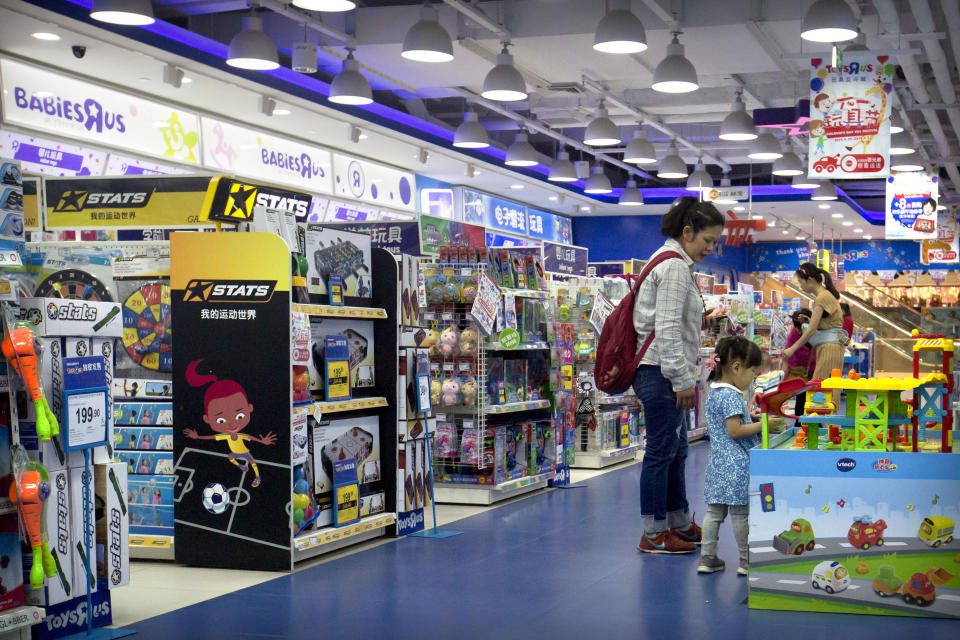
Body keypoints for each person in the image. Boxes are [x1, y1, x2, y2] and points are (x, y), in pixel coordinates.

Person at [633, 196, 725, 554]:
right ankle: (653, 532)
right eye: (708, 240)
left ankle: (679, 522)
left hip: (664, 372)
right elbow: (667, 328)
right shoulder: (672, 266)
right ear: (687, 231)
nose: (711, 248)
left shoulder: (672, 262)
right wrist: (682, 379)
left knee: (676, 449)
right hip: (661, 372)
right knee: (661, 451)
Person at [698, 337, 784, 575]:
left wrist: (750, 419)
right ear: (736, 367)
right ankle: (746, 560)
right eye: (752, 372)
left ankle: (707, 557)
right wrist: (764, 424)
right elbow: (735, 431)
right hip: (737, 463)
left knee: (714, 513)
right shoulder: (732, 395)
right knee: (739, 514)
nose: (753, 379)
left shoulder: (714, 392)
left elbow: (729, 424)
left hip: (717, 462)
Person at [183, 359, 277, 488]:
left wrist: (262, 442)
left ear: (249, 408)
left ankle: (257, 476)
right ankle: (241, 466)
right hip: (236, 453)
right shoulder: (226, 436)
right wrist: (198, 437)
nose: (232, 424)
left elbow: (251, 438)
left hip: (244, 451)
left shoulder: (240, 435)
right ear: (207, 419)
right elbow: (211, 437)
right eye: (221, 420)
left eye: (239, 415)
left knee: (253, 462)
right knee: (230, 457)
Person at [782, 263, 848, 379]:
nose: (800, 286)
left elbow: (811, 330)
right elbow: (827, 322)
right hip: (833, 347)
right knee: (829, 387)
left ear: (810, 279)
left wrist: (792, 349)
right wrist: (810, 320)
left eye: (801, 282)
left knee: (821, 389)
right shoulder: (826, 295)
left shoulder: (821, 298)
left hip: (829, 348)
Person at [783, 308, 816, 414]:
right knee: (801, 401)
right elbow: (788, 358)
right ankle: (800, 423)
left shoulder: (817, 332)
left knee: (819, 402)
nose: (799, 331)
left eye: (801, 327)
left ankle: (819, 424)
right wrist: (784, 380)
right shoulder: (794, 333)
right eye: (797, 328)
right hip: (802, 373)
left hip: (817, 371)